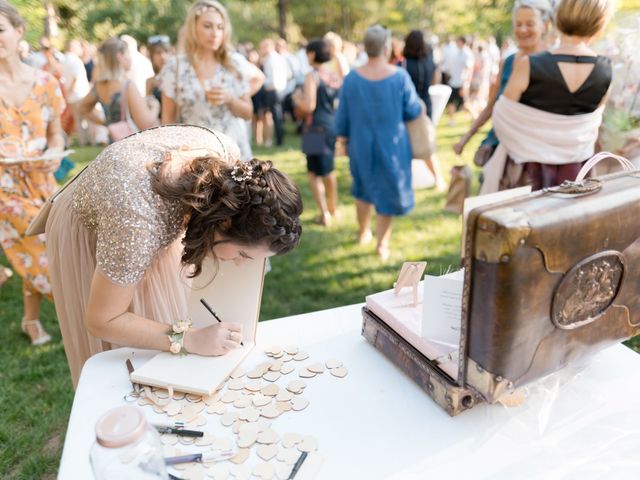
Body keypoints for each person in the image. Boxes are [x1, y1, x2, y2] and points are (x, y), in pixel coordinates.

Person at [44, 125, 303, 388]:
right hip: (101, 225)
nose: (240, 264)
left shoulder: (227, 172)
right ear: (224, 223)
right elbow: (103, 320)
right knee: (130, 355)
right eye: (243, 255)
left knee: (166, 317)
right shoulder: (136, 224)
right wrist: (189, 339)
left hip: (139, 216)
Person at [482, 0, 613, 193]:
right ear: (600, 25)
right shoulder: (606, 70)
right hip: (577, 171)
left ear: (557, 19)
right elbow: (592, 121)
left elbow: (501, 118)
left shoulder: (529, 65)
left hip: (529, 171)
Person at [0, 1, 65, 345]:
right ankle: (84, 313)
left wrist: (55, 152)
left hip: (42, 180)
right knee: (42, 246)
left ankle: (30, 320)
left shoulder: (46, 83)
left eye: (0, 30)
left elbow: (56, 132)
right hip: (3, 189)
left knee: (40, 246)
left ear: (18, 31)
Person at [334, 25, 422, 261]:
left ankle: (363, 232)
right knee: (388, 191)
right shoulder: (400, 77)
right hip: (392, 145)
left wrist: (342, 139)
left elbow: (342, 117)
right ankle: (382, 244)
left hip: (360, 144)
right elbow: (413, 110)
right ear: (386, 47)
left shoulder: (352, 78)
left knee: (362, 189)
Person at [453, 0, 553, 163]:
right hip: (499, 146)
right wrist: (466, 137)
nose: (522, 29)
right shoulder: (508, 62)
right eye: (518, 24)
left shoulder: (551, 64)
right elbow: (493, 104)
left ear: (545, 25)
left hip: (532, 153)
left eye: (529, 24)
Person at [161, 0, 254, 160]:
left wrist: (230, 99)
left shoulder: (234, 63)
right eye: (207, 26)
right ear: (193, 27)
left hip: (233, 154)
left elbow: (248, 113)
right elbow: (168, 121)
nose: (215, 33)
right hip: (195, 157)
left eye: (220, 27)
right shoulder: (175, 67)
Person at [294, 39, 341, 226]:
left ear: (312, 54)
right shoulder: (334, 76)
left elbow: (309, 106)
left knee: (313, 173)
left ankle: (324, 214)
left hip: (314, 129)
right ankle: (333, 208)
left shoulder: (311, 76)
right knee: (329, 171)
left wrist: (297, 99)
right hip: (332, 126)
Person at [78, 36, 159, 143]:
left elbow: (83, 109)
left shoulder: (98, 86)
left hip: (113, 143)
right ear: (120, 56)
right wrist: (155, 107)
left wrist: (107, 123)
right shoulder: (127, 85)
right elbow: (145, 123)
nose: (130, 58)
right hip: (131, 144)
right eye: (128, 54)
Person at [402, 29, 445, 190]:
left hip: (409, 106)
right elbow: (435, 80)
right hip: (426, 104)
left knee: (408, 143)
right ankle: (437, 178)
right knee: (427, 143)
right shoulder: (429, 61)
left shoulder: (404, 63)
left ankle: (413, 179)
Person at [146, 35, 172, 114]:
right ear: (152, 56)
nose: (162, 56)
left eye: (166, 52)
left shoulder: (177, 78)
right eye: (158, 53)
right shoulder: (150, 82)